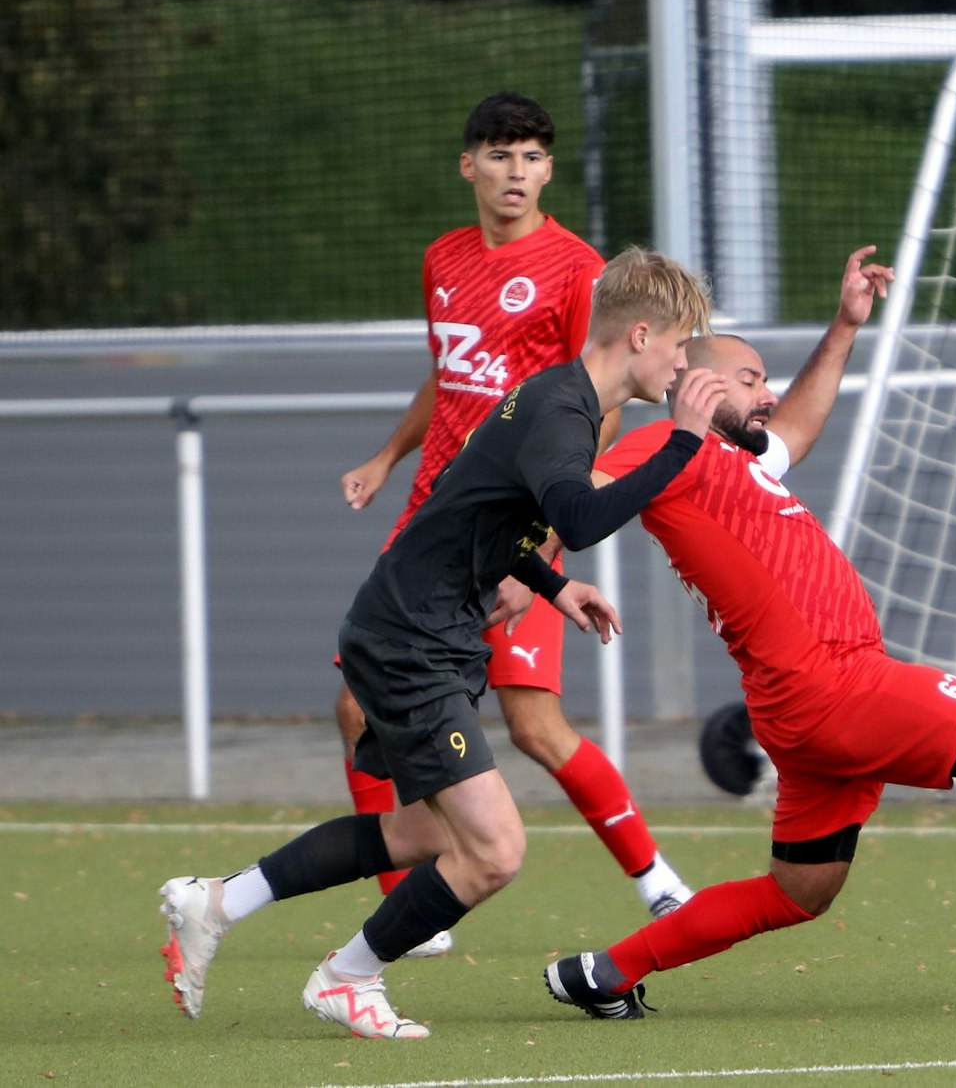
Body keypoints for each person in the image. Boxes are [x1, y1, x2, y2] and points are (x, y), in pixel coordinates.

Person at [540, 247, 956, 1021]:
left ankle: (606, 971)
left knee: (800, 891)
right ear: (699, 381)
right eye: (752, 379)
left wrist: (845, 324)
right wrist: (529, 565)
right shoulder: (669, 447)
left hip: (803, 707)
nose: (767, 395)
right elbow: (572, 496)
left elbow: (797, 422)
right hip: (834, 685)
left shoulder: (741, 461)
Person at [159, 248, 727, 1039]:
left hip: (421, 629)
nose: (683, 360)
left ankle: (216, 901)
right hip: (412, 639)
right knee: (495, 849)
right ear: (640, 335)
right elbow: (580, 518)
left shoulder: (554, 398)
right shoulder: (562, 408)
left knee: (429, 834)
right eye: (680, 343)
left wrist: (555, 585)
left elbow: (477, 510)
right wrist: (684, 441)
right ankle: (348, 977)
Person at [336, 93, 693, 956]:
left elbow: (595, 403)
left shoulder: (579, 268)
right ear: (470, 165)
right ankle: (409, 908)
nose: (517, 172)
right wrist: (387, 457)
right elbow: (447, 370)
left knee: (533, 723)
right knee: (354, 704)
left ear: (550, 169)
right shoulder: (443, 258)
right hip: (435, 517)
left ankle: (656, 880)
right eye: (501, 155)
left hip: (522, 525)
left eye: (533, 156)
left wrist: (547, 544)